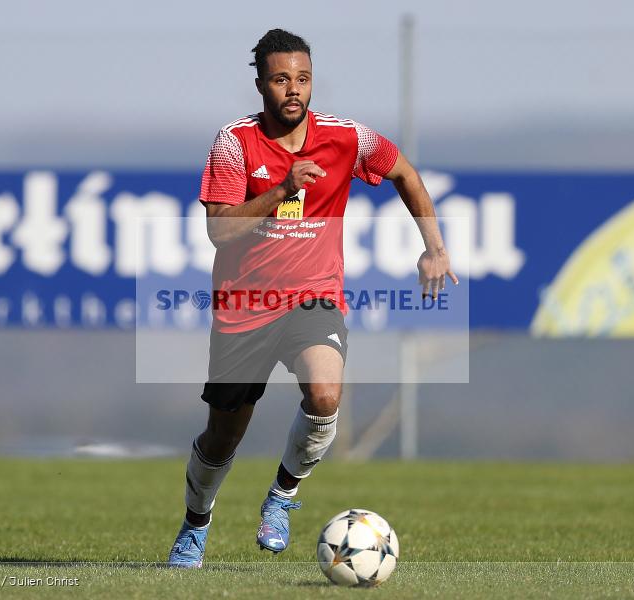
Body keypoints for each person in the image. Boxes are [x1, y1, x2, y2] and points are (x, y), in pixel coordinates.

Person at [167, 28, 457, 568]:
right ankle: (195, 524)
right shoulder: (235, 143)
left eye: (302, 79)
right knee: (222, 436)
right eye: (281, 79)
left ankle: (282, 495)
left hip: (313, 297)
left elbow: (405, 173)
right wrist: (281, 190)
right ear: (260, 84)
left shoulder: (346, 137)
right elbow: (219, 231)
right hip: (244, 307)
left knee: (325, 397)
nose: (293, 90)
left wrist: (434, 247)